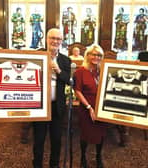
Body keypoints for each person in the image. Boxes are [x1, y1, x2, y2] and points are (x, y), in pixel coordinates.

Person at [32, 28, 71, 168]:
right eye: (52, 38)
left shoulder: (65, 60)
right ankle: (37, 165)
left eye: (58, 39)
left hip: (57, 106)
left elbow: (69, 80)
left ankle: (54, 165)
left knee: (56, 140)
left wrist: (58, 70)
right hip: (39, 105)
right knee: (39, 139)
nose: (55, 41)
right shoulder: (37, 55)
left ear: (61, 41)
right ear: (47, 39)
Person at [73, 45, 107, 168]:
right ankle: (83, 156)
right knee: (85, 134)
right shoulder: (80, 71)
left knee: (101, 133)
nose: (96, 57)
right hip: (86, 107)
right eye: (93, 54)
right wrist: (89, 108)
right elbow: (77, 91)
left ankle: (98, 156)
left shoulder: (103, 71)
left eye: (98, 55)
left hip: (101, 108)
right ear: (87, 55)